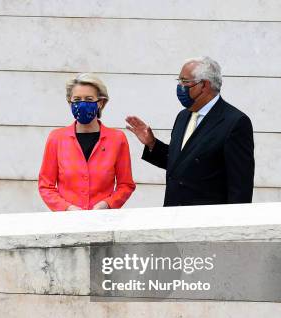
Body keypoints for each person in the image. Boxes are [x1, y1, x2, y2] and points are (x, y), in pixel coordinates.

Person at [126, 56, 255, 206]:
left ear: (205, 85)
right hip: (173, 214)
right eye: (179, 81)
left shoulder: (234, 122)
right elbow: (181, 164)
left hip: (206, 220)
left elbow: (240, 186)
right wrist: (152, 144)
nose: (180, 86)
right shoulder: (183, 116)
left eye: (185, 81)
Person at [38, 73, 136, 211]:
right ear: (70, 102)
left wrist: (107, 204)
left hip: (103, 220)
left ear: (100, 103)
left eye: (89, 99)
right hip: (67, 222)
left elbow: (126, 185)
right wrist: (66, 208)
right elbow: (45, 186)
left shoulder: (117, 139)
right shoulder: (56, 138)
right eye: (77, 99)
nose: (82, 104)